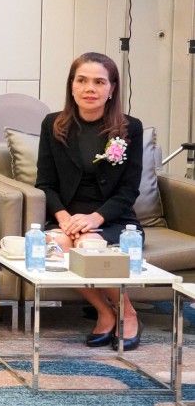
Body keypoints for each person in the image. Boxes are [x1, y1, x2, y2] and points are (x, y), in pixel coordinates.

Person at [37, 52, 144, 350]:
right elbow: (44, 184)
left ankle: (128, 313)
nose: (90, 88)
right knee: (57, 244)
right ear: (71, 85)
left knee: (88, 245)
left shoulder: (130, 127)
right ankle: (105, 312)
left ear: (112, 88)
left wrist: (95, 219)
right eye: (82, 80)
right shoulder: (53, 124)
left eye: (99, 82)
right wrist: (63, 218)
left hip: (112, 219)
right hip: (67, 218)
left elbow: (129, 190)